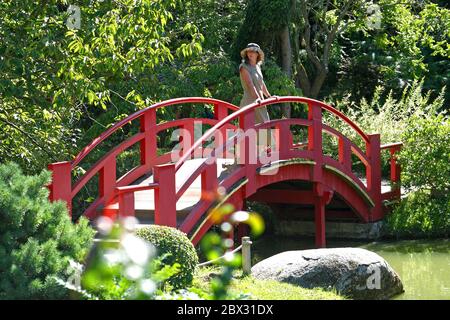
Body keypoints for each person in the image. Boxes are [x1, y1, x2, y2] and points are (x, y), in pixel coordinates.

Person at [239, 43, 273, 124]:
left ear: (258, 54)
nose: (250, 53)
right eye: (248, 51)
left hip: (260, 102)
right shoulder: (244, 67)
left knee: (264, 130)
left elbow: (261, 83)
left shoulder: (257, 66)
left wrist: (269, 96)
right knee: (249, 133)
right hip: (251, 102)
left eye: (253, 51)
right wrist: (258, 99)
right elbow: (250, 85)